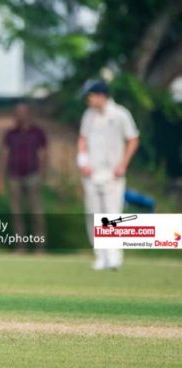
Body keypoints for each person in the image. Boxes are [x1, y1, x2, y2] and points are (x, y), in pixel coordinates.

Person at [77, 80, 139, 270]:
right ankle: (100, 256)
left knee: (112, 216)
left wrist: (123, 165)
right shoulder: (89, 115)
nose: (89, 101)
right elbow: (83, 139)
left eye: (91, 96)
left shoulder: (120, 114)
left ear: (101, 95)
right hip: (92, 174)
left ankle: (114, 257)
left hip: (112, 174)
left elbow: (133, 139)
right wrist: (82, 162)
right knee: (94, 215)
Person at [0, 102, 48, 251]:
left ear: (28, 114)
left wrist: (43, 175)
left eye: (23, 112)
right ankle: (20, 246)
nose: (20, 116)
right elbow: (4, 156)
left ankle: (39, 246)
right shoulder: (10, 134)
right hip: (14, 176)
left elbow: (44, 155)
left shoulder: (37, 132)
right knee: (16, 213)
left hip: (33, 175)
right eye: (17, 113)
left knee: (36, 212)